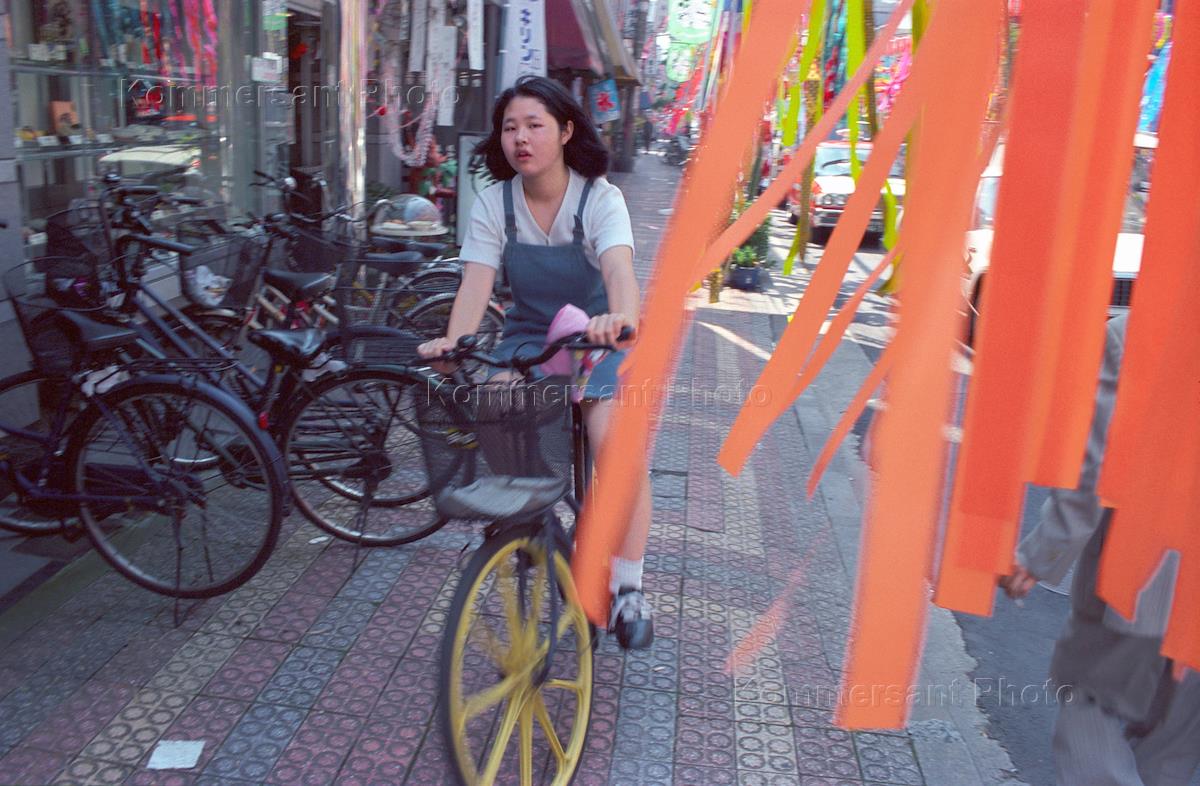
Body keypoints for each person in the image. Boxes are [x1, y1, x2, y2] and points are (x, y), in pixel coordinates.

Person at [417, 76, 654, 649]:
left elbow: (619, 271)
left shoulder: (599, 199)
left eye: (534, 125)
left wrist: (620, 319)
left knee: (613, 446)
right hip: (529, 338)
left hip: (597, 339)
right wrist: (454, 343)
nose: (520, 138)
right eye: (509, 127)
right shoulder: (495, 203)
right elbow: (475, 285)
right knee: (495, 404)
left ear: (566, 131)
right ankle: (528, 521)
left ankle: (628, 586)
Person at [1001, 313, 1200, 785]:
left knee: (1092, 714)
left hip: (1144, 580)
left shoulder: (1137, 332)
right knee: (1172, 747)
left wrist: (1042, 553)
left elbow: (1095, 465)